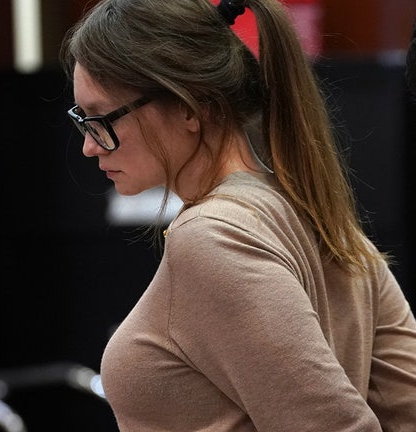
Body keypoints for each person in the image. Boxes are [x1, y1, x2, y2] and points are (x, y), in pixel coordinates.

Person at [61, 0, 416, 430]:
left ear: (191, 107)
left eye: (103, 119)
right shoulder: (318, 216)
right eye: (84, 120)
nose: (90, 145)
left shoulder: (212, 238)